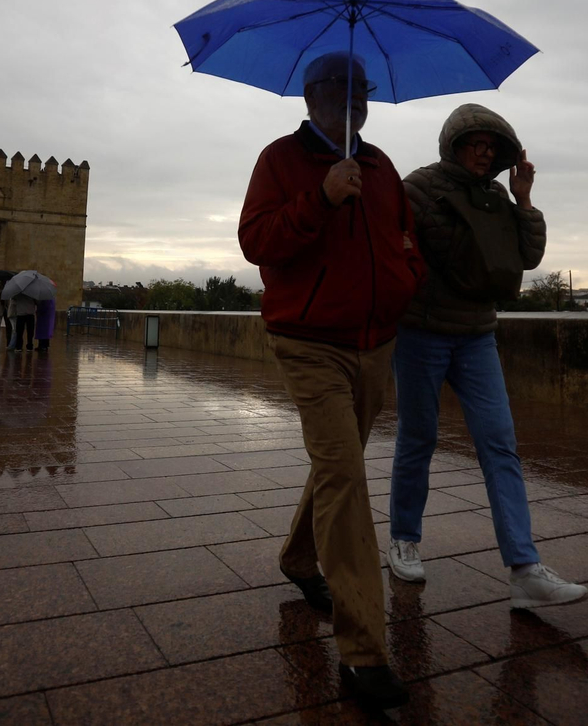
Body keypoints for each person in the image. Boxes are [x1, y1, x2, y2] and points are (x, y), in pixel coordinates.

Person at [238, 51, 425, 711]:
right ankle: (365, 652)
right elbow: (257, 242)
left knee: (336, 463)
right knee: (345, 475)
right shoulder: (279, 161)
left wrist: (406, 275)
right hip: (310, 343)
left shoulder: (380, 168)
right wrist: (318, 199)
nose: (354, 104)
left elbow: (404, 237)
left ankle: (297, 557)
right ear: (312, 96)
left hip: (377, 344)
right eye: (341, 93)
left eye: (362, 93)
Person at [388, 103, 588, 609]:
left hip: (477, 333)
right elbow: (421, 252)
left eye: (490, 147)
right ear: (453, 144)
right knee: (419, 437)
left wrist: (523, 200)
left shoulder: (499, 195)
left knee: (500, 445)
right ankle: (404, 538)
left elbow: (527, 257)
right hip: (422, 332)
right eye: (473, 144)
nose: (482, 153)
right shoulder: (418, 187)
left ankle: (524, 568)